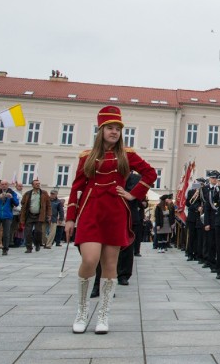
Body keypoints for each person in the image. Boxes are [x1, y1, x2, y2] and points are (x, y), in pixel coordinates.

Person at [64, 106, 156, 334]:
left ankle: (103, 315)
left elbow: (150, 173)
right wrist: (69, 218)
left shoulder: (127, 154)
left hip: (115, 211)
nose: (114, 132)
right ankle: (82, 311)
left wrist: (134, 194)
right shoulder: (87, 156)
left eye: (118, 128)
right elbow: (76, 188)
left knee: (110, 265)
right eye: (110, 128)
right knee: (89, 259)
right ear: (101, 129)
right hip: (90, 210)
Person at [20, 179, 51, 253]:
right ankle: (29, 247)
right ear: (32, 185)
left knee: (38, 232)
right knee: (28, 232)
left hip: (39, 215)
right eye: (36, 184)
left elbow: (48, 205)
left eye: (39, 183)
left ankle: (37, 244)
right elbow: (23, 203)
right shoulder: (28, 194)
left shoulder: (44, 193)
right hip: (29, 215)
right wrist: (23, 213)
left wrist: (49, 215)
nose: (38, 185)